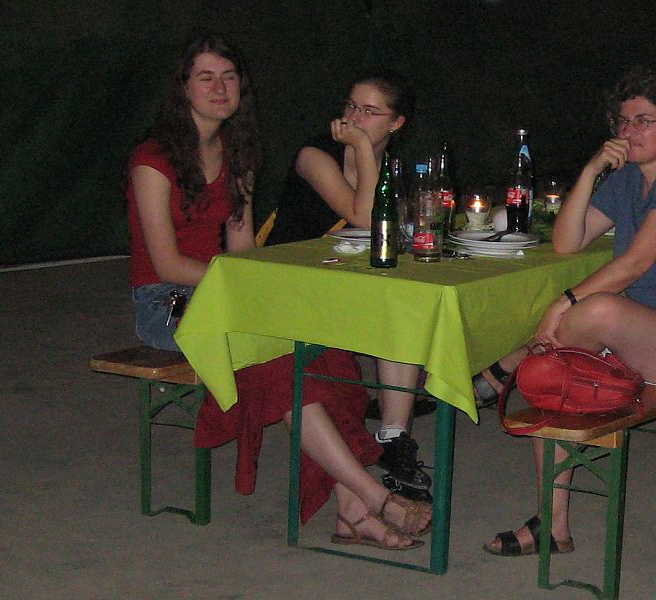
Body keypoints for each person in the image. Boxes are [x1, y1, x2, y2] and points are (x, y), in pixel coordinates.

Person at [126, 31, 431, 550]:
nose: (220, 88)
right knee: (279, 361)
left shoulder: (236, 155)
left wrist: (260, 289)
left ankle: (351, 512)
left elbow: (244, 249)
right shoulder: (152, 160)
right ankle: (369, 495)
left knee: (325, 356)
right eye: (206, 77)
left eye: (229, 77)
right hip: (166, 302)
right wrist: (248, 287)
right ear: (183, 88)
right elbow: (167, 264)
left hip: (230, 291)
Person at [480, 66, 656, 556]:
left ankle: (510, 368)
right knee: (556, 368)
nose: (630, 131)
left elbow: (635, 264)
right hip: (653, 330)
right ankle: (552, 523)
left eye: (645, 120)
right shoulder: (627, 180)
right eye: (623, 121)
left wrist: (562, 304)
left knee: (594, 315)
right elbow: (567, 241)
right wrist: (590, 172)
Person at [265, 69, 433, 502]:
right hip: (292, 281)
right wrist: (360, 146)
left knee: (404, 305)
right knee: (393, 303)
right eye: (352, 106)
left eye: (370, 111)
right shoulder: (315, 155)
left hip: (343, 278)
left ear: (396, 123)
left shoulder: (392, 165)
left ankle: (394, 438)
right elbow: (364, 217)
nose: (356, 118)